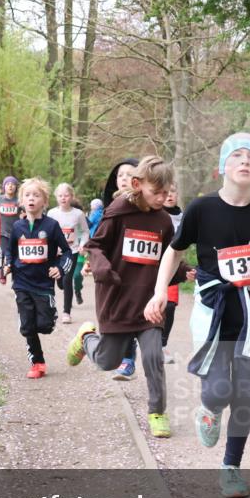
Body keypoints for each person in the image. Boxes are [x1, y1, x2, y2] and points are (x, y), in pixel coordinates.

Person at [146, 134, 250, 498]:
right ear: (222, 167)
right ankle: (209, 410)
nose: (244, 161)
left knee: (244, 394)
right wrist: (159, 291)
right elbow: (175, 252)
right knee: (218, 390)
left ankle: (231, 467)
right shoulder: (202, 208)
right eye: (236, 155)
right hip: (212, 310)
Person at [67, 156, 189, 438]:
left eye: (167, 192)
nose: (163, 198)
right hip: (117, 298)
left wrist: (185, 271)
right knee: (107, 362)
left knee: (153, 356)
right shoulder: (118, 212)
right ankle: (86, 338)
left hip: (148, 303)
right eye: (156, 192)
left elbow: (166, 258)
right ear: (137, 184)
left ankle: (157, 411)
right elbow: (94, 246)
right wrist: (102, 268)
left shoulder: (163, 220)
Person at [3, 177, 73, 378]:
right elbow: (10, 252)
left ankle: (49, 316)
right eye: (27, 195)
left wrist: (60, 268)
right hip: (22, 283)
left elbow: (67, 252)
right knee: (27, 327)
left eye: (36, 195)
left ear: (44, 201)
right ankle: (37, 363)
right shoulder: (18, 227)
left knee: (45, 326)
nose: (31, 198)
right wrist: (7, 265)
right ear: (21, 201)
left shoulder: (52, 226)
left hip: (43, 285)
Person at [101, 158, 141, 379]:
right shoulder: (110, 208)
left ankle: (129, 359)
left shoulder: (147, 206)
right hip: (115, 271)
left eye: (129, 173)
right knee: (117, 316)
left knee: (134, 313)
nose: (124, 178)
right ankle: (89, 338)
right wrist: (93, 262)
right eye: (120, 175)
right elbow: (100, 241)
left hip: (140, 271)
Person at [47, 183, 89, 324]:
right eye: (60, 195)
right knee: (60, 282)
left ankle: (66, 312)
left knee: (67, 280)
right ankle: (64, 288)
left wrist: (82, 244)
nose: (63, 198)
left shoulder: (78, 214)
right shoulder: (52, 213)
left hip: (72, 251)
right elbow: (47, 232)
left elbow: (85, 231)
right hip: (56, 252)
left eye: (66, 195)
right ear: (56, 197)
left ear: (71, 196)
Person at [159, 185, 183, 364]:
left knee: (169, 306)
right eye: (165, 192)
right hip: (152, 267)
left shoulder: (184, 217)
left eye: (172, 191)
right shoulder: (155, 214)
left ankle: (161, 345)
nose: (169, 195)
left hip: (173, 268)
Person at [73, 197, 104, 306]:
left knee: (77, 276)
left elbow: (89, 231)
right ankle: (68, 301)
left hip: (82, 252)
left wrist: (85, 248)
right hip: (69, 253)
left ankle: (77, 290)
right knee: (66, 280)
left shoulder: (86, 220)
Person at [0, 176, 21, 284]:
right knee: (4, 253)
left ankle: (15, 277)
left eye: (13, 184)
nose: (10, 186)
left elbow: (27, 211)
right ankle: (2, 273)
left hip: (16, 233)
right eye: (8, 184)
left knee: (15, 254)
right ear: (4, 186)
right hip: (2, 232)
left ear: (16, 187)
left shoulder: (19, 201)